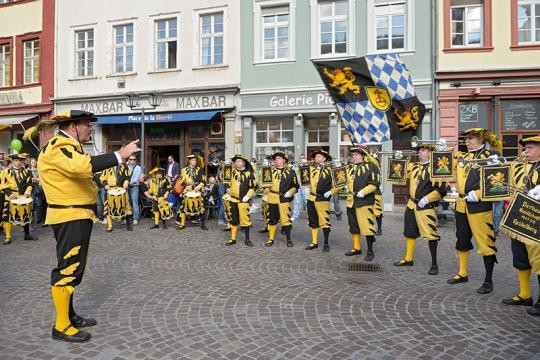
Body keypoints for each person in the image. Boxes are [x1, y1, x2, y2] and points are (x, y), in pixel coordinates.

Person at [35, 110, 139, 342]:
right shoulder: (59, 146)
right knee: (68, 269)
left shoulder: (69, 146)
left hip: (76, 213)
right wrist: (119, 155)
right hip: (68, 215)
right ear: (73, 127)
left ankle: (68, 315)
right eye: (86, 124)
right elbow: (82, 167)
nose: (90, 128)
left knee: (75, 268)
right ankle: (61, 326)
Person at [447, 128, 501, 294]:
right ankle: (462, 273)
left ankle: (488, 280)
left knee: (486, 243)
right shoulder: (463, 157)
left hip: (480, 206)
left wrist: (478, 194)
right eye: (466, 138)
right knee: (461, 240)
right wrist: (453, 185)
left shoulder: (490, 157)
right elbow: (452, 173)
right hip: (462, 204)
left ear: (481, 140)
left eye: (471, 138)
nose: (467, 141)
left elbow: (497, 183)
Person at [393, 143, 447, 275]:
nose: (420, 153)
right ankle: (408, 258)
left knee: (431, 235)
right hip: (412, 205)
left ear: (429, 152)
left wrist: (427, 199)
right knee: (409, 232)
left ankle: (434, 263)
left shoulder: (436, 167)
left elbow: (442, 190)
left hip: (426, 206)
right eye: (419, 150)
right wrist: (399, 161)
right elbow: (399, 179)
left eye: (423, 150)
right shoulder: (413, 166)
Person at [501, 135, 540, 316]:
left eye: (530, 148)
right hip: (518, 220)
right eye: (525, 149)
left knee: (538, 261)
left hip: (536, 222)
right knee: (520, 257)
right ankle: (525, 294)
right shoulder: (520, 166)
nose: (526, 151)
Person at [343, 147, 380, 261]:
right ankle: (356, 248)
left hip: (364, 201)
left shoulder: (371, 167)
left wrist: (363, 192)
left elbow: (374, 184)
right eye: (353, 155)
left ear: (363, 156)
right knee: (353, 226)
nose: (353, 157)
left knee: (367, 226)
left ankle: (370, 251)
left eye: (356, 155)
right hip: (351, 201)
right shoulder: (349, 168)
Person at [305, 149, 338, 252]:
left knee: (324, 221)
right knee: (312, 220)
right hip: (311, 198)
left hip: (322, 199)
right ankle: (314, 242)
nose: (316, 158)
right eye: (316, 157)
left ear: (324, 158)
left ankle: (326, 243)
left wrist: (331, 192)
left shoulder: (331, 170)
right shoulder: (311, 168)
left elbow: (339, 184)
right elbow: (303, 177)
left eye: (319, 156)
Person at [0, 152, 38, 244]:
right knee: (7, 217)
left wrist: (28, 192)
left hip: (23, 197)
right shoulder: (5, 172)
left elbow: (30, 184)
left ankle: (27, 234)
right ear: (12, 161)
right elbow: (2, 184)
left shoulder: (27, 171)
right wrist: (9, 194)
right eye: (16, 160)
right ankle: (8, 237)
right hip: (10, 197)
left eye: (20, 160)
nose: (18, 162)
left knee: (25, 215)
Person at [263, 152, 299, 247]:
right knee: (272, 219)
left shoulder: (291, 172)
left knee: (285, 219)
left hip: (284, 198)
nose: (276, 160)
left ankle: (288, 239)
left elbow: (296, 186)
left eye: (279, 158)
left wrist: (290, 192)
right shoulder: (269, 171)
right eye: (275, 159)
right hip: (272, 197)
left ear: (284, 160)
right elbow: (264, 183)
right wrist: (264, 187)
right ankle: (271, 239)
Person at [224, 155, 257, 246]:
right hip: (233, 200)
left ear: (243, 163)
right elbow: (226, 182)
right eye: (236, 162)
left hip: (244, 201)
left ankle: (247, 239)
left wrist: (248, 195)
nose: (237, 163)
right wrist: (227, 188)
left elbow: (253, 187)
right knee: (233, 220)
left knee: (245, 220)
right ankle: (233, 239)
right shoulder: (230, 171)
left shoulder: (249, 173)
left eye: (239, 161)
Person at [175, 154, 206, 229]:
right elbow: (182, 181)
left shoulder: (200, 169)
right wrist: (186, 186)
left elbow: (203, 181)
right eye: (193, 160)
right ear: (189, 161)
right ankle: (182, 224)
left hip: (197, 190)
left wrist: (198, 187)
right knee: (183, 207)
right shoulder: (184, 170)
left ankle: (202, 225)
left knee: (201, 207)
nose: (194, 162)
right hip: (187, 190)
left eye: (195, 160)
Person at [100, 163, 133, 232]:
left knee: (126, 207)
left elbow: (128, 176)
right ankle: (110, 226)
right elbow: (102, 177)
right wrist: (105, 184)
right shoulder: (106, 165)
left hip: (121, 189)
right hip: (109, 190)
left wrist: (126, 182)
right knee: (107, 208)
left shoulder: (124, 165)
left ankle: (128, 225)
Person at [291, 154, 309, 222]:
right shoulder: (295, 167)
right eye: (300, 158)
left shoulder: (307, 167)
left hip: (305, 186)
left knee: (307, 201)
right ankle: (295, 215)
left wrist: (306, 165)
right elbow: (292, 175)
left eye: (303, 158)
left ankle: (310, 215)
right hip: (297, 186)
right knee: (296, 201)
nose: (302, 159)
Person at [29, 157, 47, 225]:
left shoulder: (39, 170)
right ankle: (31, 220)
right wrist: (36, 180)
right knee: (32, 204)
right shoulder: (28, 170)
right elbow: (29, 179)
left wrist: (39, 180)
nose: (33, 163)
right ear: (30, 163)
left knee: (39, 204)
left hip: (39, 188)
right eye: (32, 162)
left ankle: (39, 220)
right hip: (32, 188)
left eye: (34, 162)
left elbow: (42, 178)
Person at [127, 155, 142, 225]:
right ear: (128, 160)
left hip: (134, 187)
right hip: (127, 187)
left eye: (134, 159)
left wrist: (127, 183)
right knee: (128, 203)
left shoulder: (138, 168)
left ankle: (135, 218)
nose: (132, 161)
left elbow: (135, 179)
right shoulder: (126, 167)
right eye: (131, 159)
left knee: (135, 203)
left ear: (136, 160)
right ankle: (128, 217)